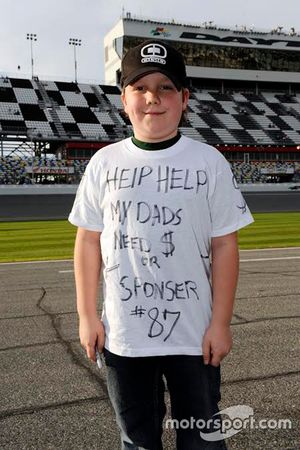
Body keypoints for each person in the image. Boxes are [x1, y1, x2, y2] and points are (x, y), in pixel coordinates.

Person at [68, 39, 254, 450]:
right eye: (140, 87)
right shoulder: (104, 163)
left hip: (194, 335)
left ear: (184, 98)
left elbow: (225, 245)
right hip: (124, 336)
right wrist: (86, 316)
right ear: (124, 100)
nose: (153, 97)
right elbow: (87, 241)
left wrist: (220, 323)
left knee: (202, 439)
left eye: (166, 87)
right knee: (137, 440)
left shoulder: (208, 162)